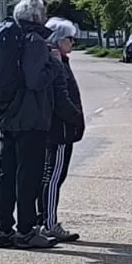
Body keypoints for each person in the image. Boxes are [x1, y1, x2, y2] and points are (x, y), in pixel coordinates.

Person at [0, 0, 63, 250]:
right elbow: (36, 81)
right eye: (42, 14)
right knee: (28, 176)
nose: (44, 19)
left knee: (6, 174)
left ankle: (5, 230)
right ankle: (27, 230)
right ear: (35, 18)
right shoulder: (35, 41)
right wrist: (55, 63)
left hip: (7, 115)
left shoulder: (10, 37)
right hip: (30, 118)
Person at [37, 17, 86, 244]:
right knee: (54, 177)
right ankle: (49, 223)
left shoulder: (57, 60)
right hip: (59, 130)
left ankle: (44, 220)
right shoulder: (55, 62)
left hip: (58, 129)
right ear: (58, 39)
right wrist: (76, 117)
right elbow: (61, 97)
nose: (73, 42)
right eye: (69, 38)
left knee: (51, 175)